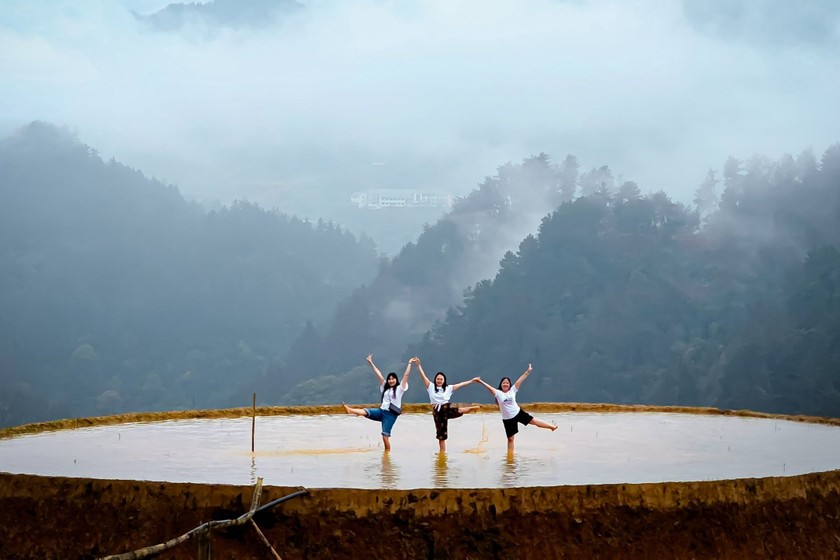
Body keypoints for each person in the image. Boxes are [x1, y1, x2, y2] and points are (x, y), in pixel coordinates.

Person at [476, 363, 556, 453]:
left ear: (509, 385)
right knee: (510, 439)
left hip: (518, 413)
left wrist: (528, 371)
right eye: (504, 383)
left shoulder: (513, 390)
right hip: (507, 419)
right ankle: (510, 457)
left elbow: (520, 380)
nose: (505, 384)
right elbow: (489, 388)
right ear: (501, 385)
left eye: (507, 383)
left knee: (533, 421)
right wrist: (481, 381)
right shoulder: (498, 393)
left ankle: (551, 427)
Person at [343, 354, 412, 451]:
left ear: (396, 380)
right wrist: (371, 363)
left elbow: (406, 375)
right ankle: (350, 410)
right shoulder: (385, 388)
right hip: (381, 411)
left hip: (390, 415)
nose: (391, 380)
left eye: (393, 379)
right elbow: (378, 374)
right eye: (389, 379)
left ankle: (387, 454)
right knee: (366, 411)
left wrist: (409, 363)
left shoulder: (400, 389)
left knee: (385, 436)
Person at [414, 356, 479, 452]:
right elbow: (423, 376)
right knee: (441, 435)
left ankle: (470, 409)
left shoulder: (449, 388)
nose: (439, 381)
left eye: (441, 379)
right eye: (438, 379)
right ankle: (442, 453)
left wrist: (472, 381)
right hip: (437, 411)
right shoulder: (430, 386)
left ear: (444, 380)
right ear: (435, 379)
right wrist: (419, 365)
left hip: (447, 407)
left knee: (456, 409)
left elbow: (461, 384)